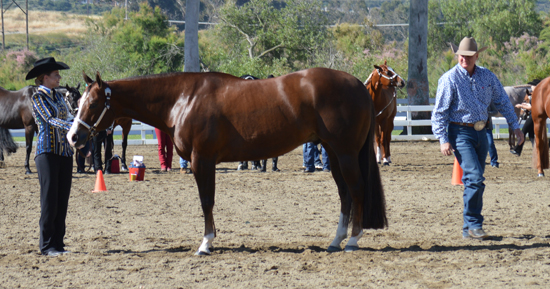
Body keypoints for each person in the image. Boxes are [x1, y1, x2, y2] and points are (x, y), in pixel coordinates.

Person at [431, 37, 524, 240]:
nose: (464, 59)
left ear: (476, 56)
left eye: (468, 56)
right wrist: (443, 139)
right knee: (474, 177)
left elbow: (503, 101)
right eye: (461, 56)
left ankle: (468, 228)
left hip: (482, 132)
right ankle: (474, 224)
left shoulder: (487, 77)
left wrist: (515, 126)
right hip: (460, 133)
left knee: (475, 180)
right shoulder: (449, 79)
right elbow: (439, 112)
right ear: (458, 56)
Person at [26, 57, 74, 256]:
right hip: (46, 153)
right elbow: (50, 120)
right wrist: (72, 127)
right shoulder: (38, 97)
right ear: (45, 78)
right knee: (49, 199)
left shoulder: (60, 97)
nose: (59, 77)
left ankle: (58, 244)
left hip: (64, 152)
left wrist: (79, 125)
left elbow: (69, 116)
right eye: (56, 75)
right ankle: (47, 245)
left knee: (62, 199)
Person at [511, 79, 540, 157]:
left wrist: (521, 106)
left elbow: (532, 107)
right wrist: (524, 105)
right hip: (534, 116)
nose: (531, 87)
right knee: (531, 136)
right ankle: (537, 152)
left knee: (523, 132)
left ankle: (517, 149)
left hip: (533, 116)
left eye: (532, 85)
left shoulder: (537, 94)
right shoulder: (537, 94)